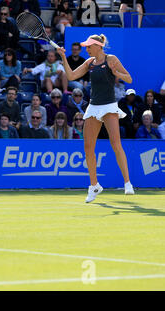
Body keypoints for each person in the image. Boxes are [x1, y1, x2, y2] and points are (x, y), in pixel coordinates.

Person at [57, 33, 135, 202]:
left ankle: (127, 183)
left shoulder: (111, 59)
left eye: (89, 46)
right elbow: (71, 76)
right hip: (94, 107)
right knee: (88, 147)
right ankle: (94, 186)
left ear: (98, 46)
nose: (86, 49)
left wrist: (117, 73)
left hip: (109, 106)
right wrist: (63, 57)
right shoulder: (89, 62)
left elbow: (129, 78)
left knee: (116, 143)